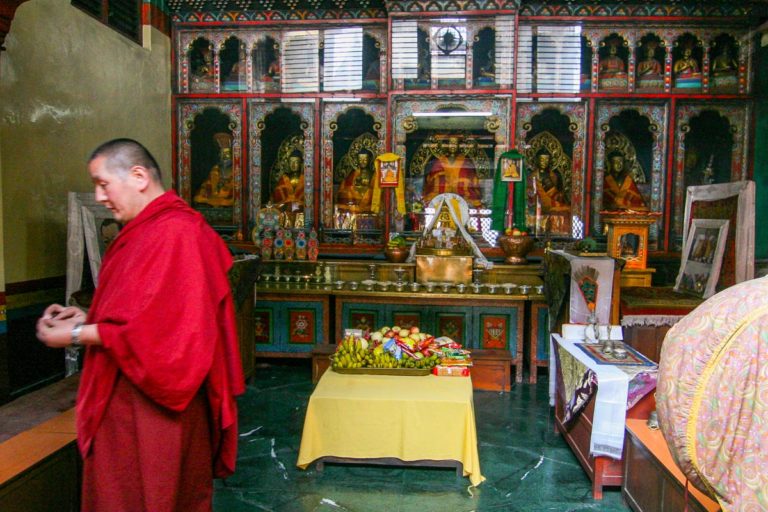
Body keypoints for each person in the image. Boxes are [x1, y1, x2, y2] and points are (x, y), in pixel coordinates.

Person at [36, 139, 244, 511]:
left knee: (147, 496)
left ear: (138, 176)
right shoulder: (144, 232)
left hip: (155, 406)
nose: (99, 197)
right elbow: (146, 311)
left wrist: (75, 335)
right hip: (128, 396)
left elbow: (174, 336)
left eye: (103, 184)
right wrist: (89, 318)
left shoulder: (175, 232)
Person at [423, 136, 482, 207]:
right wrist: (444, 177)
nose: (452, 146)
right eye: (450, 143)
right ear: (446, 145)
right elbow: (432, 179)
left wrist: (457, 182)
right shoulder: (439, 161)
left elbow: (472, 181)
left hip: (463, 197)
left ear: (459, 146)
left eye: (455, 143)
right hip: (440, 196)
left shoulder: (466, 162)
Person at [528, 150, 571, 235]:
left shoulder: (554, 176)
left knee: (566, 209)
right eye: (541, 159)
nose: (544, 162)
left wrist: (560, 195)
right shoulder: (532, 176)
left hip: (550, 202)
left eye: (546, 159)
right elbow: (529, 192)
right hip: (536, 203)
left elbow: (558, 193)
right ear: (537, 160)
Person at [193, 132, 235, 207]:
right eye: (222, 155)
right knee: (198, 199)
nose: (225, 159)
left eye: (227, 156)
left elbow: (236, 192)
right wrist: (205, 193)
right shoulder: (215, 170)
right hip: (214, 199)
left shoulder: (236, 171)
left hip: (228, 200)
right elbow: (206, 186)